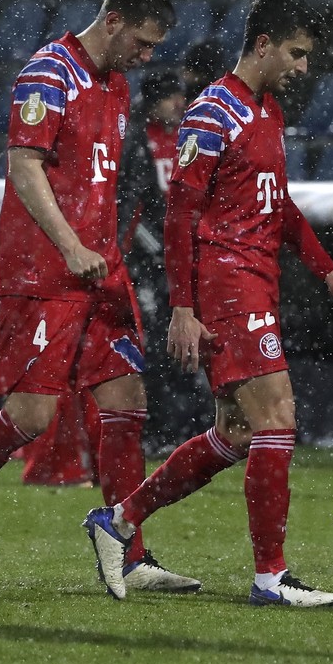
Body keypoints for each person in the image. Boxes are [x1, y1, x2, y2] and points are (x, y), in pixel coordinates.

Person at [0, 0, 197, 596]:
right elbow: (24, 165)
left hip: (99, 270)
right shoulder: (49, 71)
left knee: (126, 399)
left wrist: (111, 254)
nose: (147, 58)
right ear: (113, 20)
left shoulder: (116, 86)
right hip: (43, 271)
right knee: (30, 416)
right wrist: (71, 245)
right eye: (142, 43)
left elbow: (104, 186)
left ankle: (130, 549)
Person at [82, 0, 333, 607]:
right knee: (278, 417)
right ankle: (270, 576)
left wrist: (328, 274)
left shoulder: (268, 111)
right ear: (262, 44)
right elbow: (181, 216)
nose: (303, 67)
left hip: (257, 277)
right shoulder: (215, 110)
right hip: (227, 281)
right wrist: (183, 307)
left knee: (237, 433)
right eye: (295, 54)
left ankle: (119, 521)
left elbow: (281, 207)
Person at [117, 69, 211, 449]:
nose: (180, 103)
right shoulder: (135, 141)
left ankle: (189, 428)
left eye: (181, 95)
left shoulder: (189, 137)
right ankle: (160, 429)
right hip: (148, 261)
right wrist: (152, 248)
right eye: (172, 96)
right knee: (155, 343)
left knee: (186, 346)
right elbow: (127, 204)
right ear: (154, 101)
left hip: (183, 258)